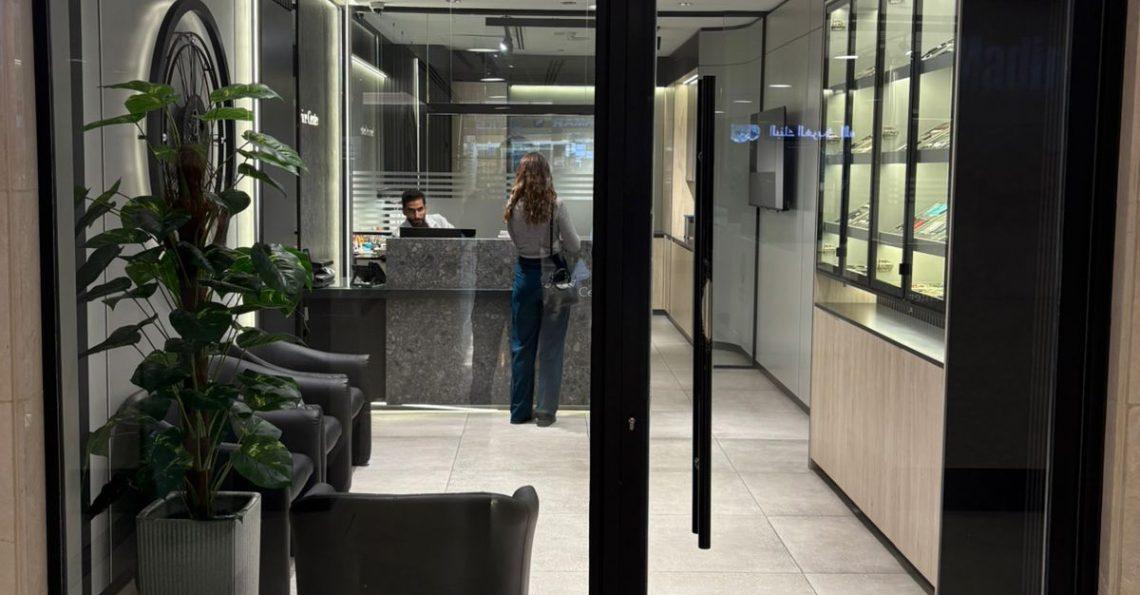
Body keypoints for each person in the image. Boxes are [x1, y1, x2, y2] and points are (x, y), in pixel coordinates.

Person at [505, 152, 580, 427]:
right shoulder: (556, 205)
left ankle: (519, 412)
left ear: (520, 175)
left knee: (521, 346)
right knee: (551, 346)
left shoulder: (512, 205)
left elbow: (515, 240)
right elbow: (574, 245)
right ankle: (546, 412)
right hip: (552, 276)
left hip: (524, 276)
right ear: (547, 174)